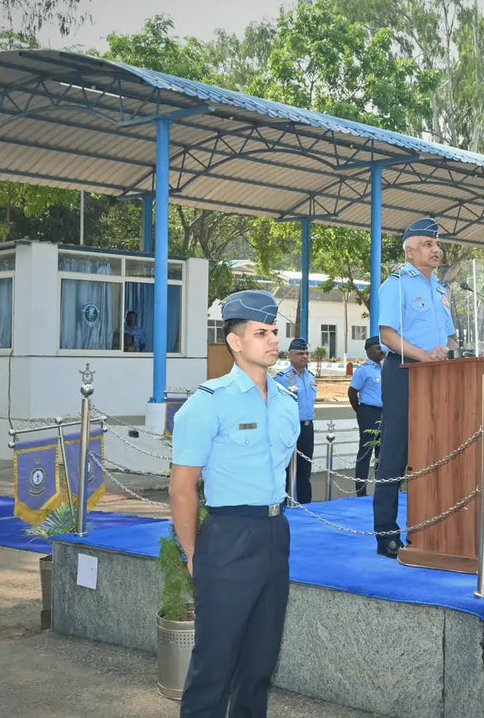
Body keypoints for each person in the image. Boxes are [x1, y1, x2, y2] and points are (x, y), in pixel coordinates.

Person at [169, 289, 300, 717]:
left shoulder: (286, 402)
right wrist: (193, 553)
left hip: (275, 532)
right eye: (262, 333)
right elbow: (182, 488)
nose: (273, 340)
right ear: (235, 341)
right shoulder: (209, 403)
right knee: (214, 664)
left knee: (260, 664)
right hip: (228, 537)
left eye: (274, 331)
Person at [372, 217, 457, 558]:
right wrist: (424, 355)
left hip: (439, 375)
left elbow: (450, 336)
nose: (436, 249)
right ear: (409, 252)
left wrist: (451, 353)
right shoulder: (396, 284)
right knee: (396, 452)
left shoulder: (440, 288)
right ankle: (387, 533)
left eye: (436, 244)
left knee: (438, 449)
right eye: (427, 244)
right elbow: (387, 335)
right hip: (405, 372)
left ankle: (431, 528)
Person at [275, 337, 317, 504]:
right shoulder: (282, 378)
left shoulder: (311, 376)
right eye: (300, 353)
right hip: (290, 428)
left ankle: (305, 505)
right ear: (290, 356)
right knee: (287, 468)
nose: (304, 356)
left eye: (306, 353)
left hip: (307, 427)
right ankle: (284, 503)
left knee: (305, 469)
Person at [348, 335, 384, 496]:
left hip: (384, 413)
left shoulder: (385, 368)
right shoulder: (363, 370)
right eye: (378, 348)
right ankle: (361, 491)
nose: (381, 351)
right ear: (369, 351)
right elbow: (352, 392)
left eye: (382, 348)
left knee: (381, 453)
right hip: (368, 412)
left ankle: (381, 490)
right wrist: (360, 410)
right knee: (365, 452)